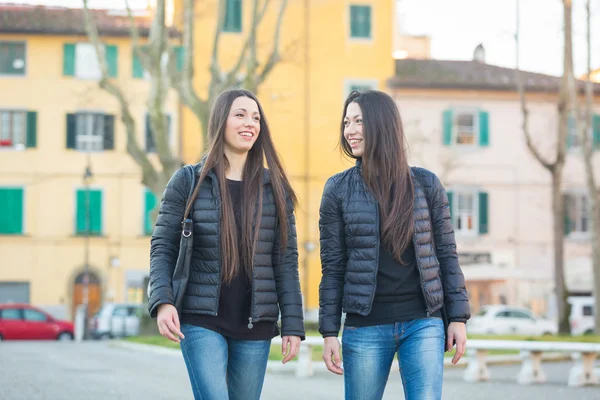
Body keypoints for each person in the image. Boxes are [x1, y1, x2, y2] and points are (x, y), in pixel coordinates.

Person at [147, 89, 305, 400]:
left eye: (256, 117)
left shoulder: (274, 189)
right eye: (241, 114)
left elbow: (285, 261)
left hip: (254, 324)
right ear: (222, 121)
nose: (251, 123)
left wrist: (293, 324)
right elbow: (163, 246)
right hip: (199, 317)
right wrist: (163, 301)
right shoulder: (188, 181)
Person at [318, 90, 470, 400]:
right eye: (346, 122)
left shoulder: (426, 184)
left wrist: (457, 317)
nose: (350, 130)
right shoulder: (338, 189)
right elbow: (333, 267)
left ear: (382, 124)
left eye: (359, 121)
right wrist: (329, 332)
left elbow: (446, 255)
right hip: (365, 326)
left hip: (423, 322)